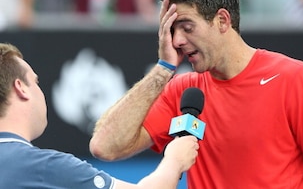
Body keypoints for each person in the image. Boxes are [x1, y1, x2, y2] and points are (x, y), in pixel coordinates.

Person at [89, 0, 303, 189]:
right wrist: (163, 68)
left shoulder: (293, 78)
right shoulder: (184, 91)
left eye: (187, 27)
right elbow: (105, 147)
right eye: (172, 31)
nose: (177, 41)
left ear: (222, 20)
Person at [0, 43, 199, 188]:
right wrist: (174, 160)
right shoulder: (43, 167)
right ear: (21, 88)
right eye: (35, 82)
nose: (39, 91)